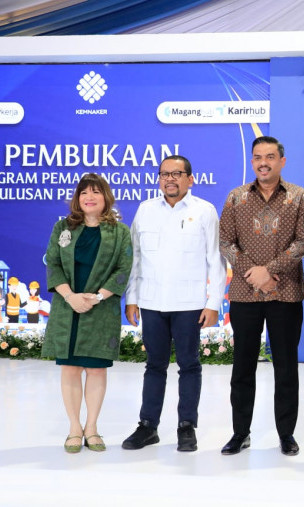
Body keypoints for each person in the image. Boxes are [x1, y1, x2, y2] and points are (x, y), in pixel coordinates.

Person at [122, 155, 225, 452]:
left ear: (190, 179)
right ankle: (147, 426)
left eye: (176, 174)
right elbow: (135, 258)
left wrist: (213, 303)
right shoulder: (145, 210)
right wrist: (132, 299)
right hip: (151, 301)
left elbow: (215, 260)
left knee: (189, 365)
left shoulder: (204, 211)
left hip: (189, 304)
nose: (170, 179)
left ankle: (186, 426)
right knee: (154, 365)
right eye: (164, 174)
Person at [218, 136, 304, 456]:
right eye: (258, 157)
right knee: (242, 368)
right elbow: (226, 242)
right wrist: (255, 274)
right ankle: (240, 433)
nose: (263, 163)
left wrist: (270, 272)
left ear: (281, 161)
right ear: (252, 161)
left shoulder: (299, 197)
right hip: (244, 294)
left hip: (285, 294)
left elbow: (303, 242)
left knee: (286, 368)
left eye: (270, 157)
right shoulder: (236, 197)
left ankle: (286, 434)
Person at [42, 173, 132, 453]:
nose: (89, 197)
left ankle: (91, 428)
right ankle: (74, 428)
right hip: (67, 306)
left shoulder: (119, 231)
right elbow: (53, 263)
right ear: (77, 199)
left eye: (95, 192)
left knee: (95, 369)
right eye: (83, 193)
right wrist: (70, 296)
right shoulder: (63, 227)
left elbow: (123, 268)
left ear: (106, 197)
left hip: (100, 308)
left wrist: (97, 297)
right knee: (70, 369)